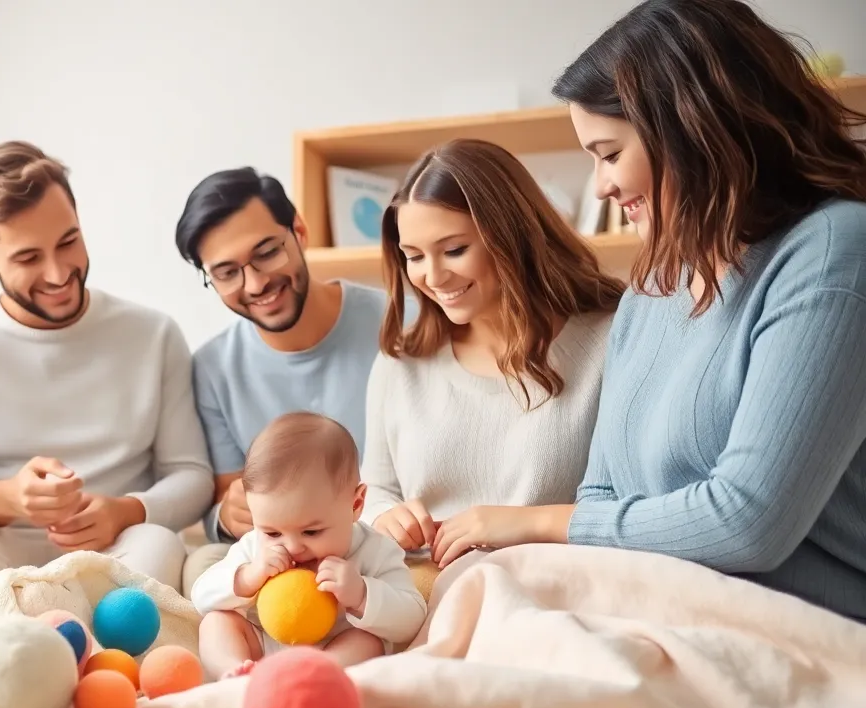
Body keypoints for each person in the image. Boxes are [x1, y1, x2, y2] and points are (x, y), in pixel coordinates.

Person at [443, 0, 866, 623]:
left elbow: (749, 523)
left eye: (609, 153)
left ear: (691, 130)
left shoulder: (832, 251)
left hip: (805, 627)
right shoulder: (650, 289)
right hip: (666, 611)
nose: (600, 187)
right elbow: (601, 494)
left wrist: (535, 522)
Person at [0, 141, 214, 610]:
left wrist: (125, 511)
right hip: (2, 554)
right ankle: (14, 654)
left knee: (159, 544)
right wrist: (6, 498)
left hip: (117, 548)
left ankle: (98, 659)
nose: (58, 273)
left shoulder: (153, 334)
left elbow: (192, 475)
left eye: (68, 241)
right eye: (28, 258)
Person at [358, 138, 624, 569]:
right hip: (423, 590)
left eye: (454, 250)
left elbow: (633, 504)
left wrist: (520, 523)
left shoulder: (609, 340)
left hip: (551, 584)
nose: (433, 275)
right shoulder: (402, 360)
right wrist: (386, 518)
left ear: (511, 233)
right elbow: (375, 490)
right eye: (414, 256)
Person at [173, 167, 396, 594]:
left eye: (267, 252)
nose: (255, 283)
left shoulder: (396, 322)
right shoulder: (212, 367)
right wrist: (229, 511)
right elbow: (228, 494)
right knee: (202, 563)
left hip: (380, 541)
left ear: (300, 231)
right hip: (283, 561)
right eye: (226, 273)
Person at [191, 412, 426, 680]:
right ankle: (234, 674)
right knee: (216, 622)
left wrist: (361, 594)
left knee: (367, 643)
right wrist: (246, 577)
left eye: (311, 531)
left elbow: (412, 619)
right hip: (263, 648)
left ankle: (316, 677)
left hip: (332, 650)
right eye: (272, 532)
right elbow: (201, 597)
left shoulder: (376, 550)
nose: (292, 547)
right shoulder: (255, 548)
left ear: (355, 505)